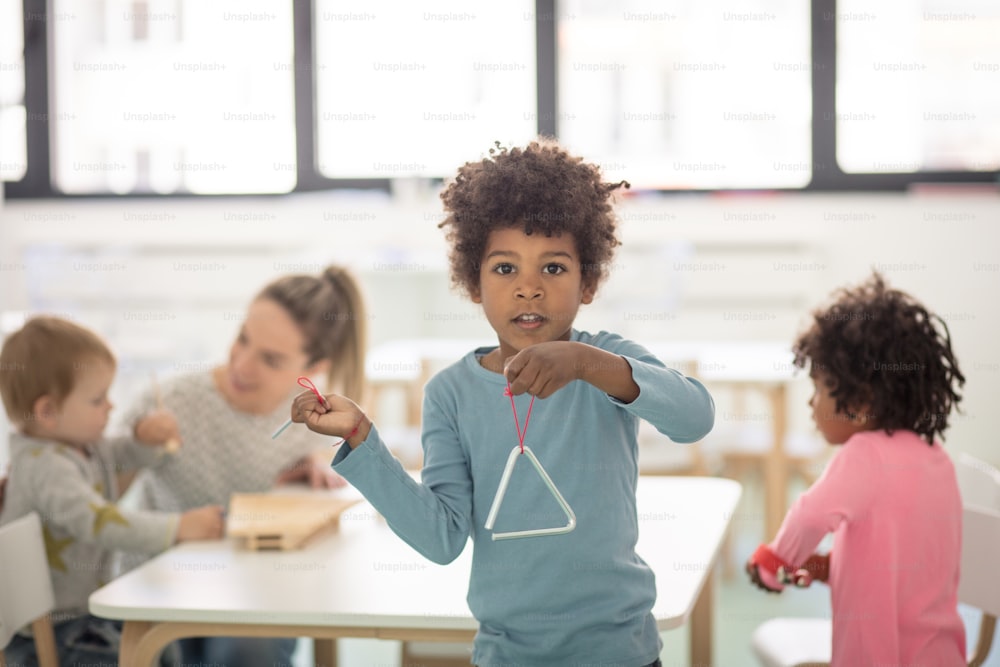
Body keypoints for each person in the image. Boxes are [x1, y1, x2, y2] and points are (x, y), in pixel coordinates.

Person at [288, 140, 716, 666]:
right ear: (474, 281)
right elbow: (441, 538)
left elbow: (695, 418)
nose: (529, 289)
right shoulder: (450, 394)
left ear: (590, 279)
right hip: (507, 656)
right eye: (505, 269)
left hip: (618, 651)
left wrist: (585, 363)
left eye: (554, 269)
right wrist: (361, 438)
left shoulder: (606, 360)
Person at [122, 264, 368, 666]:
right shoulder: (169, 404)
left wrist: (315, 463)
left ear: (313, 369)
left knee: (247, 649)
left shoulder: (310, 425)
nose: (242, 365)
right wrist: (131, 446)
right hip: (160, 589)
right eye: (242, 339)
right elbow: (95, 491)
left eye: (271, 360)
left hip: (250, 597)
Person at [745, 272, 967, 666]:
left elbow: (808, 515)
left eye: (819, 388)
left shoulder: (863, 454)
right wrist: (825, 566)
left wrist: (774, 564)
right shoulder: (937, 460)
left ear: (860, 401)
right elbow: (904, 564)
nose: (812, 404)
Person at [0, 316, 224, 667]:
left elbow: (120, 455)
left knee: (162, 647)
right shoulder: (45, 467)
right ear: (48, 411)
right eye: (97, 398)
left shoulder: (79, 444)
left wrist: (144, 439)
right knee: (147, 650)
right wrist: (177, 528)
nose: (111, 406)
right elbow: (99, 522)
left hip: (84, 615)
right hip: (54, 634)